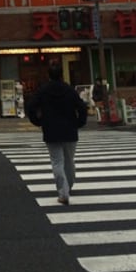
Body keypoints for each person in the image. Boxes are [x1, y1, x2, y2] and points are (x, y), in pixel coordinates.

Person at [25, 62, 88, 205]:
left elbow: (31, 107)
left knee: (57, 162)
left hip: (51, 129)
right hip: (70, 129)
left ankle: (63, 192)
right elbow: (82, 107)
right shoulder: (69, 90)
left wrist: (38, 121)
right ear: (62, 75)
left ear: (49, 75)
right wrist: (79, 123)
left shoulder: (43, 90)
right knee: (69, 160)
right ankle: (69, 185)